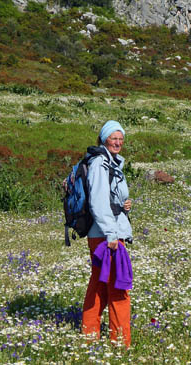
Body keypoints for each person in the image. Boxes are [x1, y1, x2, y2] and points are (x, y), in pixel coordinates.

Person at [82, 120, 133, 347]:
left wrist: (125, 203)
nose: (118, 142)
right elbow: (98, 201)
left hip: (102, 233)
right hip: (106, 235)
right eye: (114, 138)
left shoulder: (112, 163)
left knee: (100, 285)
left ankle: (89, 333)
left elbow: (110, 198)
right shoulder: (101, 164)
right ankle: (120, 341)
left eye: (121, 138)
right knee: (118, 286)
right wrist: (112, 235)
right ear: (104, 139)